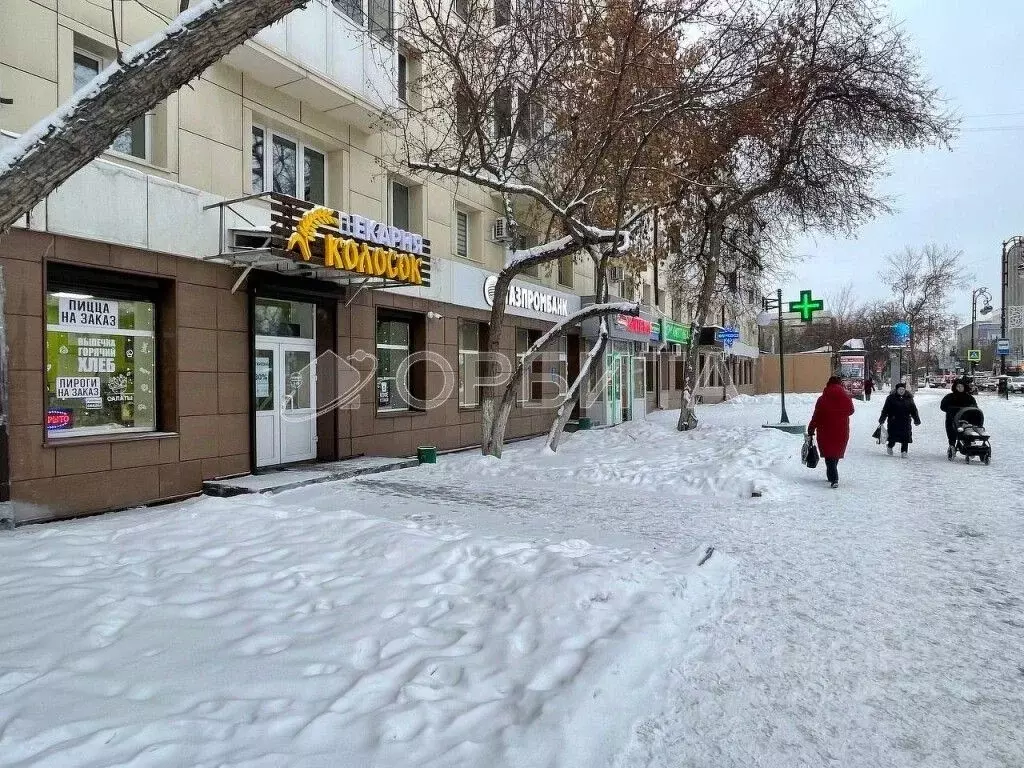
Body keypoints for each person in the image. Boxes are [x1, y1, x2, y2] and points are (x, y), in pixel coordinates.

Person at [808, 375, 855, 488]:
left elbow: (817, 415)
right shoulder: (846, 397)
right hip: (841, 430)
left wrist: (811, 428)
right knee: (835, 454)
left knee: (829, 454)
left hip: (825, 430)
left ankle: (834, 478)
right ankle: (832, 475)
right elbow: (851, 410)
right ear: (840, 385)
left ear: (828, 385)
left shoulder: (822, 399)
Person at [878, 382, 921, 457]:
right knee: (893, 437)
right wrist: (882, 419)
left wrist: (916, 420)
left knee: (905, 437)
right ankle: (890, 446)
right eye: (900, 389)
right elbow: (885, 410)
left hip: (905, 421)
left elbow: (913, 410)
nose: (901, 391)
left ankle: (904, 451)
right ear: (897, 390)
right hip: (893, 421)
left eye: (903, 389)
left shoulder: (909, 398)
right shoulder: (890, 398)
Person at [939, 378, 978, 449]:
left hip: (967, 419)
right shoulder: (949, 397)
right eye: (958, 386)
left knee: (968, 429)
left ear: (964, 387)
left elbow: (975, 408)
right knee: (952, 431)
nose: (960, 388)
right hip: (952, 418)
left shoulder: (969, 398)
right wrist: (950, 409)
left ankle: (969, 442)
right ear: (955, 387)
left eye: (961, 386)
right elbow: (943, 406)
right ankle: (952, 444)